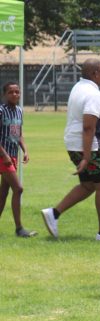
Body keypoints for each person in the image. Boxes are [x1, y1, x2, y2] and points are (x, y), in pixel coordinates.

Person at [42, 58, 100, 240]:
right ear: (95, 73)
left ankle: (54, 213)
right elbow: (88, 127)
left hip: (75, 144)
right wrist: (87, 156)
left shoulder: (78, 88)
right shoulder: (93, 94)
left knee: (88, 185)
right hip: (89, 147)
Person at [0, 81, 35, 237]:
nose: (14, 94)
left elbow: (18, 134)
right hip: (2, 156)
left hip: (12, 156)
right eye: (11, 92)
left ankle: (19, 229)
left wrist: (25, 150)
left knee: (3, 192)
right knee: (18, 189)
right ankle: (19, 228)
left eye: (17, 92)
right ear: (4, 94)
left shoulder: (19, 111)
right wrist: (4, 155)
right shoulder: (1, 111)